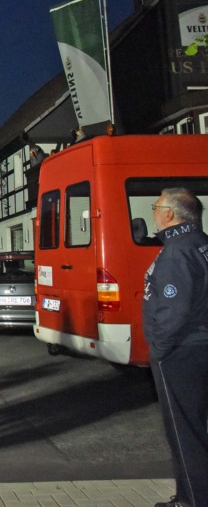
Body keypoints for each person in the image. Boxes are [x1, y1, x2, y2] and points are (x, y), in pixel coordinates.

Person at [143, 188, 208, 507]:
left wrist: (159, 347)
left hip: (180, 352)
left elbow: (174, 308)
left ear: (169, 214)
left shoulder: (176, 251)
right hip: (198, 346)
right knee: (195, 428)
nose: (153, 212)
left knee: (184, 433)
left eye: (156, 207)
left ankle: (193, 500)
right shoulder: (201, 243)